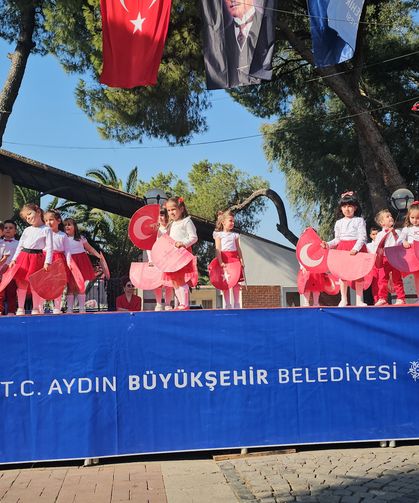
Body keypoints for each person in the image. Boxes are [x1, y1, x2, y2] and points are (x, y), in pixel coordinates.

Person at [321, 191, 367, 307]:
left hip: (357, 249)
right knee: (343, 275)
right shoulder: (339, 223)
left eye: (350, 206)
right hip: (343, 249)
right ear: (341, 208)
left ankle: (359, 300)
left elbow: (362, 237)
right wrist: (327, 244)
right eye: (344, 206)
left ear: (355, 207)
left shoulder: (359, 220)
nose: (347, 209)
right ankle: (344, 299)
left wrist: (356, 249)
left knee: (358, 275)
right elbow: (337, 240)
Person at [9, 203, 53, 315]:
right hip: (24, 257)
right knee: (22, 282)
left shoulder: (46, 229)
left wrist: (48, 262)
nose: (28, 218)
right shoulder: (27, 230)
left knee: (35, 284)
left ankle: (35, 308)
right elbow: (20, 245)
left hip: (37, 258)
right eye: (26, 217)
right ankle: (20, 308)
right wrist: (14, 259)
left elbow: (50, 247)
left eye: (29, 214)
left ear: (38, 212)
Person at [165, 197, 198, 310]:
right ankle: (180, 303)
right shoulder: (172, 224)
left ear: (182, 209)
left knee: (181, 279)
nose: (171, 212)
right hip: (173, 256)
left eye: (173, 209)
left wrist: (183, 243)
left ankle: (185, 304)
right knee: (174, 281)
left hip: (183, 254)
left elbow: (194, 237)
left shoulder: (187, 221)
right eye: (168, 210)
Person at [64, 217, 101, 313]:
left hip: (81, 262)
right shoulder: (63, 238)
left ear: (74, 226)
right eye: (65, 225)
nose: (67, 226)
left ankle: (81, 308)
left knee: (81, 285)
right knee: (70, 286)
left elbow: (90, 249)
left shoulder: (81, 238)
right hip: (70, 262)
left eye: (69, 224)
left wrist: (99, 256)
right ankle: (69, 309)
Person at [372, 210, 406, 306]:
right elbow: (376, 247)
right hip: (384, 259)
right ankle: (382, 298)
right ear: (382, 223)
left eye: (390, 215)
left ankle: (401, 298)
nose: (390, 217)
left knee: (397, 278)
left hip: (395, 258)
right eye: (387, 216)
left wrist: (395, 234)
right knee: (382, 279)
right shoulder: (379, 235)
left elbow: (400, 243)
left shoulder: (398, 231)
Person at [213, 210, 244, 309]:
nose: (232, 223)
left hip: (234, 259)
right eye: (230, 221)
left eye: (233, 221)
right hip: (224, 260)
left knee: (236, 282)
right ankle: (227, 304)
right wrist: (220, 261)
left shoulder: (235, 235)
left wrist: (242, 260)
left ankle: (237, 303)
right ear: (223, 222)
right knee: (225, 282)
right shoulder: (219, 235)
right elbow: (218, 249)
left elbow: (238, 248)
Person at [43, 210, 72, 314]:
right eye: (46, 220)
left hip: (59, 260)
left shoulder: (63, 235)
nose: (48, 222)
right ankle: (41, 306)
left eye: (51, 219)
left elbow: (67, 250)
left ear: (58, 221)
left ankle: (57, 307)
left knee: (59, 285)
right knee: (45, 283)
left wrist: (69, 262)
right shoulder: (43, 233)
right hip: (45, 258)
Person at [147, 207, 174, 311]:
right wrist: (150, 259)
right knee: (157, 282)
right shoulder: (154, 230)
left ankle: (168, 304)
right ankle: (158, 303)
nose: (161, 217)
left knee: (169, 283)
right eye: (159, 215)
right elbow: (149, 245)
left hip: (169, 258)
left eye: (162, 215)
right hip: (156, 258)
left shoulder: (171, 228)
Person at [398, 201, 419, 302]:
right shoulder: (407, 229)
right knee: (417, 277)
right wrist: (404, 242)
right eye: (412, 218)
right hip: (413, 256)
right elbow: (399, 240)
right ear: (409, 217)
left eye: (418, 218)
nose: (415, 220)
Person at [0, 220, 19, 315]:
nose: (7, 229)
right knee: (0, 292)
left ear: (15, 231)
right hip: (0, 271)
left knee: (12, 292)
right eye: (5, 228)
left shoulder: (19, 244)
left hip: (12, 271)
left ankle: (11, 311)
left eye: (11, 228)